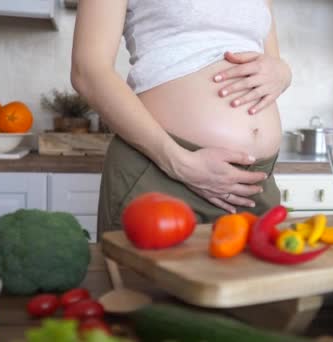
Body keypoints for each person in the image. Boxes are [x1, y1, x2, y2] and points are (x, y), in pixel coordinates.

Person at [70, 0, 292, 238]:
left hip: (256, 183)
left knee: (258, 275)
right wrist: (179, 163)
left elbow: (271, 60)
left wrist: (284, 73)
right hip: (164, 173)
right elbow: (88, 70)